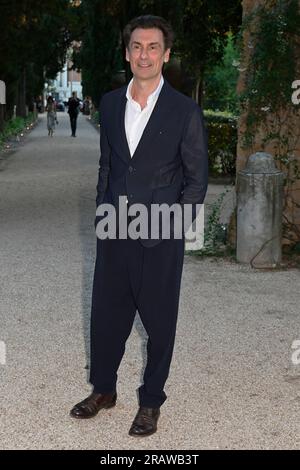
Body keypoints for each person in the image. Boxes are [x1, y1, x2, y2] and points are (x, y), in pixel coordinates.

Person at [70, 15, 208, 437]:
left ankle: (151, 401)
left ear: (165, 54)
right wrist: (102, 210)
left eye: (152, 47)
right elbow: (108, 165)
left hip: (160, 232)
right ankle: (104, 390)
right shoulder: (111, 103)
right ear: (127, 52)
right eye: (136, 46)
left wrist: (174, 228)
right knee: (107, 315)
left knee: (159, 321)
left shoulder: (185, 111)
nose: (143, 54)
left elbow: (195, 179)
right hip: (115, 226)